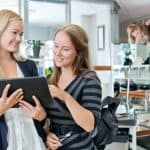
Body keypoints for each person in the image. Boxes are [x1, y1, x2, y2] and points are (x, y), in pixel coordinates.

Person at [46, 24, 102, 150]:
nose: (58, 53)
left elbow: (89, 125)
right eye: (56, 46)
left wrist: (64, 96)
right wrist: (47, 134)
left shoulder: (89, 80)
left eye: (65, 49)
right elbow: (46, 119)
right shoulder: (50, 80)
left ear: (78, 53)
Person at [0, 9, 47, 150]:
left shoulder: (29, 66)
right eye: (14, 32)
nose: (19, 39)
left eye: (21, 34)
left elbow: (43, 106)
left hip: (33, 141)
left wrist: (42, 115)